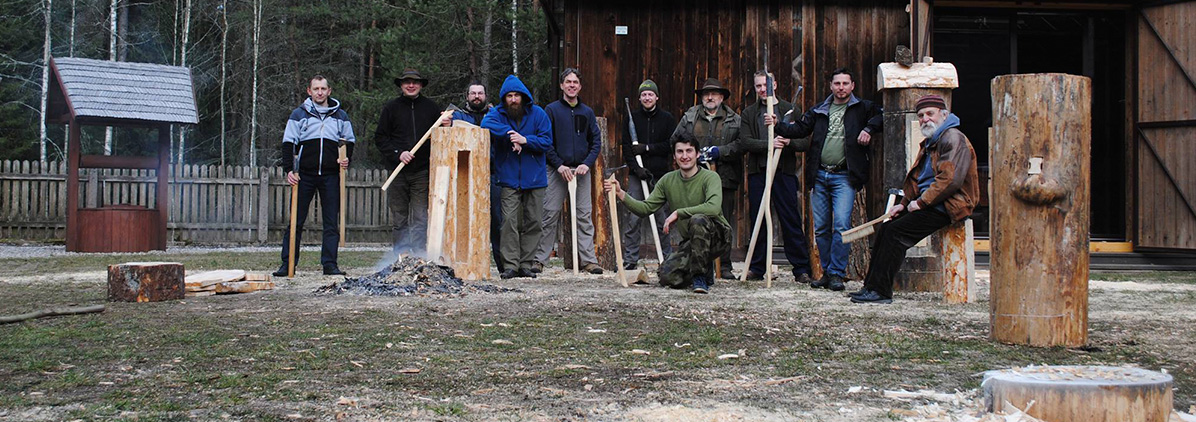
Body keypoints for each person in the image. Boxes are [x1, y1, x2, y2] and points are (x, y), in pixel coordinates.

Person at [849, 95, 978, 304]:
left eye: (930, 114)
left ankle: (881, 292)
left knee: (895, 233)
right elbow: (917, 180)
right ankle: (871, 287)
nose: (925, 119)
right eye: (921, 115)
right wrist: (902, 205)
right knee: (887, 227)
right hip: (931, 202)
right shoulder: (932, 141)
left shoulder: (952, 138)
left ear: (943, 115)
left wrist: (921, 203)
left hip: (948, 204)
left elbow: (949, 181)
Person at [766, 68, 882, 291]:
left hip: (844, 177)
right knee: (820, 228)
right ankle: (828, 273)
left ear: (852, 86)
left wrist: (868, 128)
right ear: (831, 86)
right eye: (837, 83)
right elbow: (799, 129)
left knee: (840, 225)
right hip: (819, 175)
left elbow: (884, 114)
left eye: (845, 83)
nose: (841, 88)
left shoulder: (862, 108)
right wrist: (777, 123)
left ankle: (837, 273)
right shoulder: (820, 109)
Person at [604, 131, 731, 294]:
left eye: (689, 151)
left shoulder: (710, 177)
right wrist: (621, 194)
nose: (684, 156)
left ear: (697, 154)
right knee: (666, 277)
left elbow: (713, 208)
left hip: (718, 237)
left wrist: (679, 212)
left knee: (698, 219)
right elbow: (645, 209)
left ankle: (700, 278)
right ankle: (703, 269)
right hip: (692, 241)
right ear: (674, 156)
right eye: (680, 152)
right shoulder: (668, 180)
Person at [726, 71, 813, 283]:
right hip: (759, 173)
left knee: (790, 219)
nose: (762, 90)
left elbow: (804, 142)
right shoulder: (749, 113)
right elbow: (745, 142)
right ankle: (756, 267)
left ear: (774, 84)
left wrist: (788, 142)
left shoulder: (789, 110)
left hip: (784, 174)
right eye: (758, 86)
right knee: (758, 220)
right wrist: (769, 143)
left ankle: (801, 269)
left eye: (765, 85)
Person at [274, 75, 356, 276]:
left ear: (329, 91)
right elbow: (288, 143)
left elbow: (348, 142)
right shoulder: (299, 114)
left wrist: (345, 158)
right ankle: (288, 264)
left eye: (323, 89)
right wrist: (289, 170)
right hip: (304, 175)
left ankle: (330, 265)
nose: (320, 92)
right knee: (296, 221)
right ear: (309, 91)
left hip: (330, 175)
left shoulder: (340, 116)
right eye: (316, 89)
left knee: (330, 222)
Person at [481, 75, 554, 279]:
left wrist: (525, 140)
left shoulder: (538, 114)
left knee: (534, 222)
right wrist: (511, 134)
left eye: (516, 96)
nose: (513, 100)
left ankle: (526, 264)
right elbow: (486, 124)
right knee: (509, 222)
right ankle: (510, 265)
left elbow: (547, 141)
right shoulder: (498, 114)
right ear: (504, 98)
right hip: (509, 177)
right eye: (509, 96)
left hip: (535, 178)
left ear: (524, 97)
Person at [534, 68, 604, 274]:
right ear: (562, 85)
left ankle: (589, 261)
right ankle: (539, 259)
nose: (572, 85)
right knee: (549, 215)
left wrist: (587, 164)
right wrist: (559, 165)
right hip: (557, 170)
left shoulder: (587, 112)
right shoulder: (551, 110)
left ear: (580, 87)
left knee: (583, 215)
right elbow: (546, 142)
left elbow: (596, 141)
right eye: (568, 82)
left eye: (575, 82)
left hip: (581, 171)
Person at [671, 78, 742, 279]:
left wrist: (720, 152)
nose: (710, 97)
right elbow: (676, 140)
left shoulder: (734, 119)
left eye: (714, 94)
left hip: (725, 178)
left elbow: (741, 145)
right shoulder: (690, 117)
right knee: (698, 220)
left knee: (722, 220)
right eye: (706, 94)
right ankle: (701, 265)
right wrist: (693, 157)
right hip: (696, 178)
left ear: (721, 97)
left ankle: (725, 266)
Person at [374, 69, 449, 254]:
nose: (411, 85)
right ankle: (401, 257)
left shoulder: (431, 108)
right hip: (397, 171)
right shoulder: (391, 108)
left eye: (415, 82)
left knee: (420, 218)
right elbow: (380, 138)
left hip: (422, 172)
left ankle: (418, 256)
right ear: (401, 85)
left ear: (421, 85)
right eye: (407, 82)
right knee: (399, 218)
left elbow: (443, 138)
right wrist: (398, 154)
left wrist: (447, 127)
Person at [620, 79, 677, 270]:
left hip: (660, 176)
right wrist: (636, 169)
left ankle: (666, 259)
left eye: (650, 94)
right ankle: (630, 259)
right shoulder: (631, 119)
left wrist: (647, 148)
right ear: (639, 98)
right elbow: (627, 149)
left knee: (663, 218)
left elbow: (670, 145)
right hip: (638, 175)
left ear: (656, 97)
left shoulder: (667, 119)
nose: (647, 97)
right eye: (643, 95)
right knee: (633, 217)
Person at [450, 80, 504, 272]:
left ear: (485, 96)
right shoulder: (457, 116)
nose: (476, 97)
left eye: (480, 93)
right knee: (464, 218)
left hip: (493, 174)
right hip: (466, 175)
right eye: (473, 93)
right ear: (467, 96)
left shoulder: (496, 115)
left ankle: (502, 265)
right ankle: (463, 263)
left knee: (497, 220)